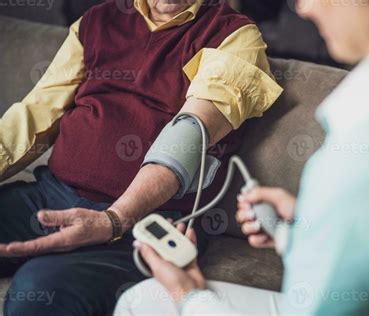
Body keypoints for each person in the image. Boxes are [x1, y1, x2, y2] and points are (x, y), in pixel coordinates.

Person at [115, 0, 369, 315]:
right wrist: (304, 230)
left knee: (143, 300)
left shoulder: (365, 153)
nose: (305, 8)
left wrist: (189, 295)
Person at [0, 0, 282, 315]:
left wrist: (114, 219)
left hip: (150, 223)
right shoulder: (96, 21)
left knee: (39, 289)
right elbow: (35, 114)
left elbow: (190, 135)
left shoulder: (234, 34)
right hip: (51, 195)